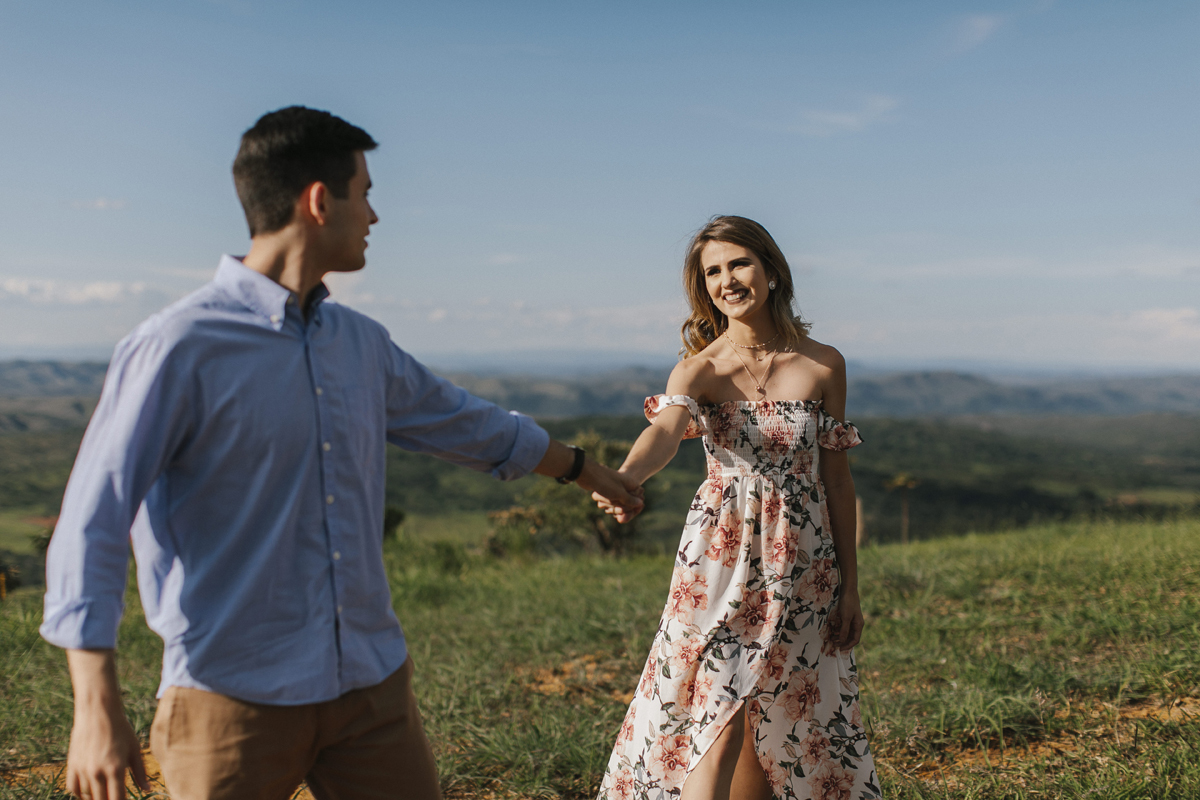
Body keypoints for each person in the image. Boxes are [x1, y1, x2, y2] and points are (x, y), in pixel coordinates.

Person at [39, 106, 644, 800]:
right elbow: (93, 519)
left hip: (371, 690)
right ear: (320, 201)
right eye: (366, 193)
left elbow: (463, 421)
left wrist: (578, 466)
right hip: (231, 699)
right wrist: (95, 706)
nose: (375, 217)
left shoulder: (358, 342)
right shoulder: (178, 347)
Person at [593, 216, 880, 800]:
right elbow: (666, 431)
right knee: (718, 710)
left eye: (739, 263)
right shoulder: (700, 369)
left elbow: (838, 480)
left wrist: (850, 586)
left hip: (805, 564)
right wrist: (625, 477)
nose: (728, 280)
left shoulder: (825, 364)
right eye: (713, 271)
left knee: (777, 716)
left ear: (771, 270)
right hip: (720, 562)